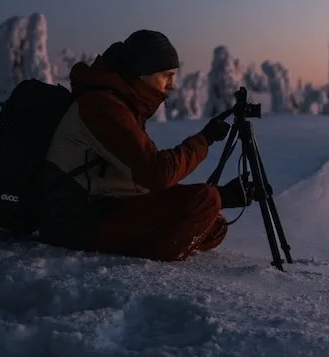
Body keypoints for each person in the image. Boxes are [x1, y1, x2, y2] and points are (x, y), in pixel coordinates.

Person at [36, 29, 252, 262]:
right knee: (205, 202)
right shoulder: (102, 106)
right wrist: (203, 140)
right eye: (166, 75)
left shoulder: (120, 103)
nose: (171, 85)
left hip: (106, 205)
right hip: (78, 220)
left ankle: (151, 240)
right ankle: (146, 256)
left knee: (214, 223)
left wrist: (223, 197)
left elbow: (141, 177)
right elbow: (157, 173)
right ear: (142, 73)